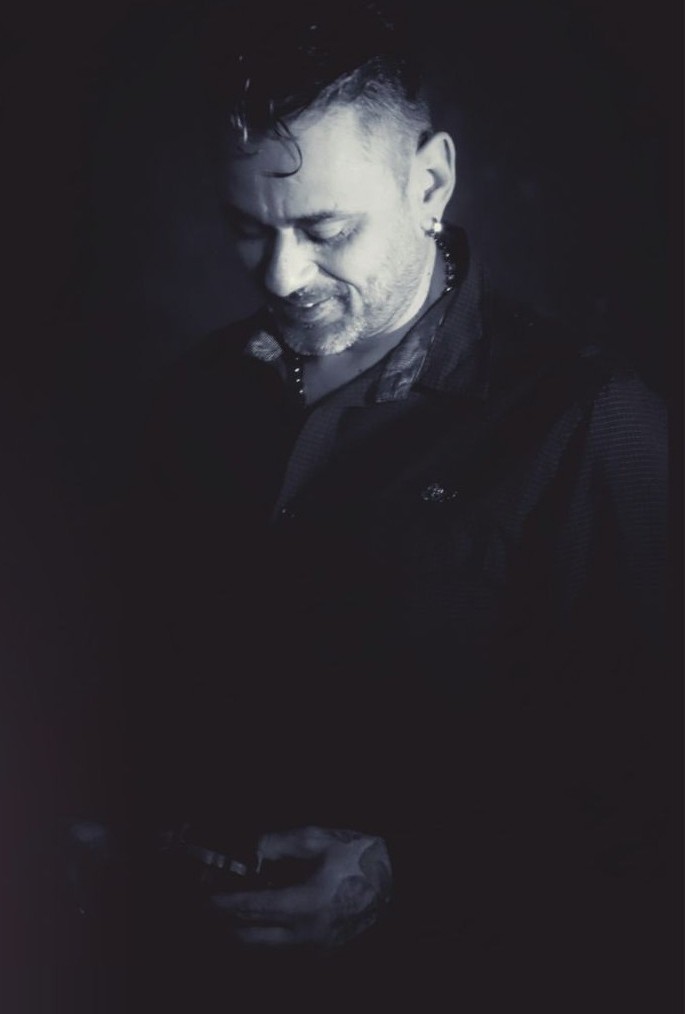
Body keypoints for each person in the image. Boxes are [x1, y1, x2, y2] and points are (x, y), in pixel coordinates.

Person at [65, 2, 673, 1010]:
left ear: (428, 182)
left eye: (325, 230)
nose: (279, 275)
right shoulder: (197, 395)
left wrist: (408, 878)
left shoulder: (597, 423)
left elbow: (649, 785)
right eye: (247, 228)